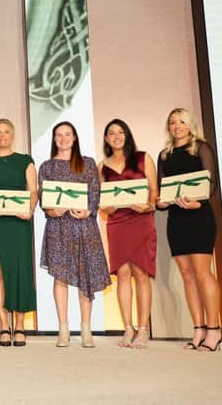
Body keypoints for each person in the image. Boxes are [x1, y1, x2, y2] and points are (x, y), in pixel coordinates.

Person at [38, 121, 111, 348]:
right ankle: (63, 329)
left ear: (75, 137)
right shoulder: (46, 166)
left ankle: (86, 330)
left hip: (84, 227)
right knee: (60, 277)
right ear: (54, 139)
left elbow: (95, 193)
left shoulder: (88, 163)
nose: (63, 138)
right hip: (58, 226)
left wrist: (88, 210)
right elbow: (43, 197)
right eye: (59, 135)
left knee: (84, 278)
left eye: (67, 134)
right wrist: (51, 209)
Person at [156, 108, 220, 352]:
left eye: (181, 121)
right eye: (172, 122)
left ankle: (214, 330)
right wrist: (160, 202)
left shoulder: (201, 148)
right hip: (177, 219)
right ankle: (199, 328)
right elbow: (162, 192)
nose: (177, 126)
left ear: (190, 124)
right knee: (187, 275)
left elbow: (212, 182)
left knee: (203, 273)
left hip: (200, 217)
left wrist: (198, 202)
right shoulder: (164, 155)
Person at [0, 119, 37, 347]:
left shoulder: (25, 161)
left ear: (13, 136)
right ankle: (4, 325)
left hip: (19, 224)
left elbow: (33, 191)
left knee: (20, 272)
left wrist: (30, 209)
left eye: (6, 132)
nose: (2, 136)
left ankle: (19, 325)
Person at [98, 119, 157, 348]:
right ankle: (128, 328)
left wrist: (148, 206)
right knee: (122, 274)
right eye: (111, 133)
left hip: (141, 221)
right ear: (106, 139)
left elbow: (153, 191)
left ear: (127, 135)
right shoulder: (102, 166)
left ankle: (143, 329)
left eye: (120, 132)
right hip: (117, 223)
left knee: (141, 274)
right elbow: (102, 202)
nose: (116, 136)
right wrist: (107, 209)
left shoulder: (143, 158)